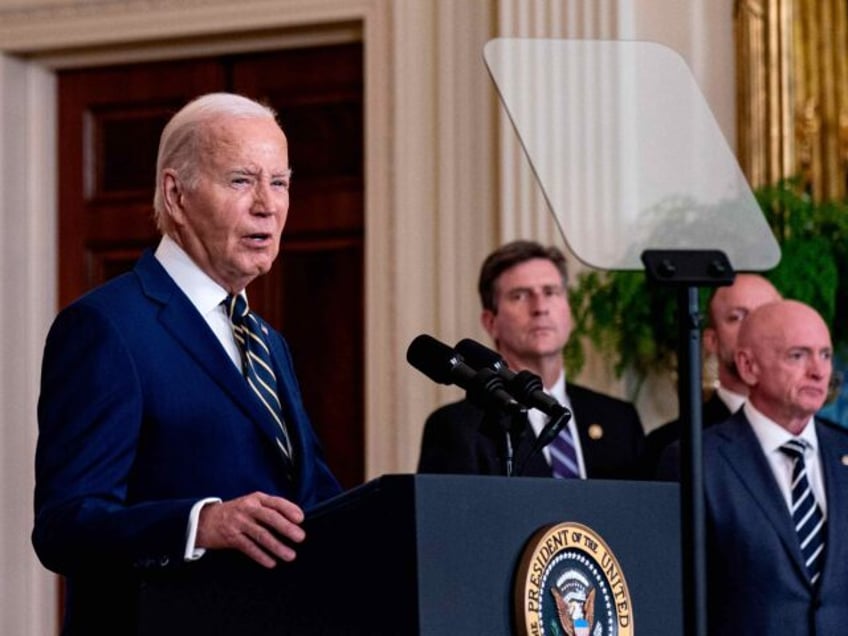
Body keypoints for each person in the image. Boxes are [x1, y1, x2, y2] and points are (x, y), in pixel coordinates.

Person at [32, 93, 341, 634]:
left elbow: (314, 501)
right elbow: (64, 526)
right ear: (176, 194)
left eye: (281, 182)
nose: (268, 205)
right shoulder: (108, 327)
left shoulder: (268, 341)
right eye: (242, 181)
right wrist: (200, 524)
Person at [659, 300, 848, 634]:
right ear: (748, 366)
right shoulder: (698, 461)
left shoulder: (843, 451)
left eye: (826, 355)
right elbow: (673, 594)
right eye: (798, 355)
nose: (819, 371)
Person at [417, 240, 644, 479]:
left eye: (550, 292)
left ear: (569, 311)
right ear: (490, 322)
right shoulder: (457, 428)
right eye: (520, 296)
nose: (540, 308)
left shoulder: (619, 420)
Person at [643, 273, 781, 476]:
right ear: (711, 340)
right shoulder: (675, 444)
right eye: (737, 317)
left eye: (767, 315)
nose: (754, 329)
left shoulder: (835, 444)